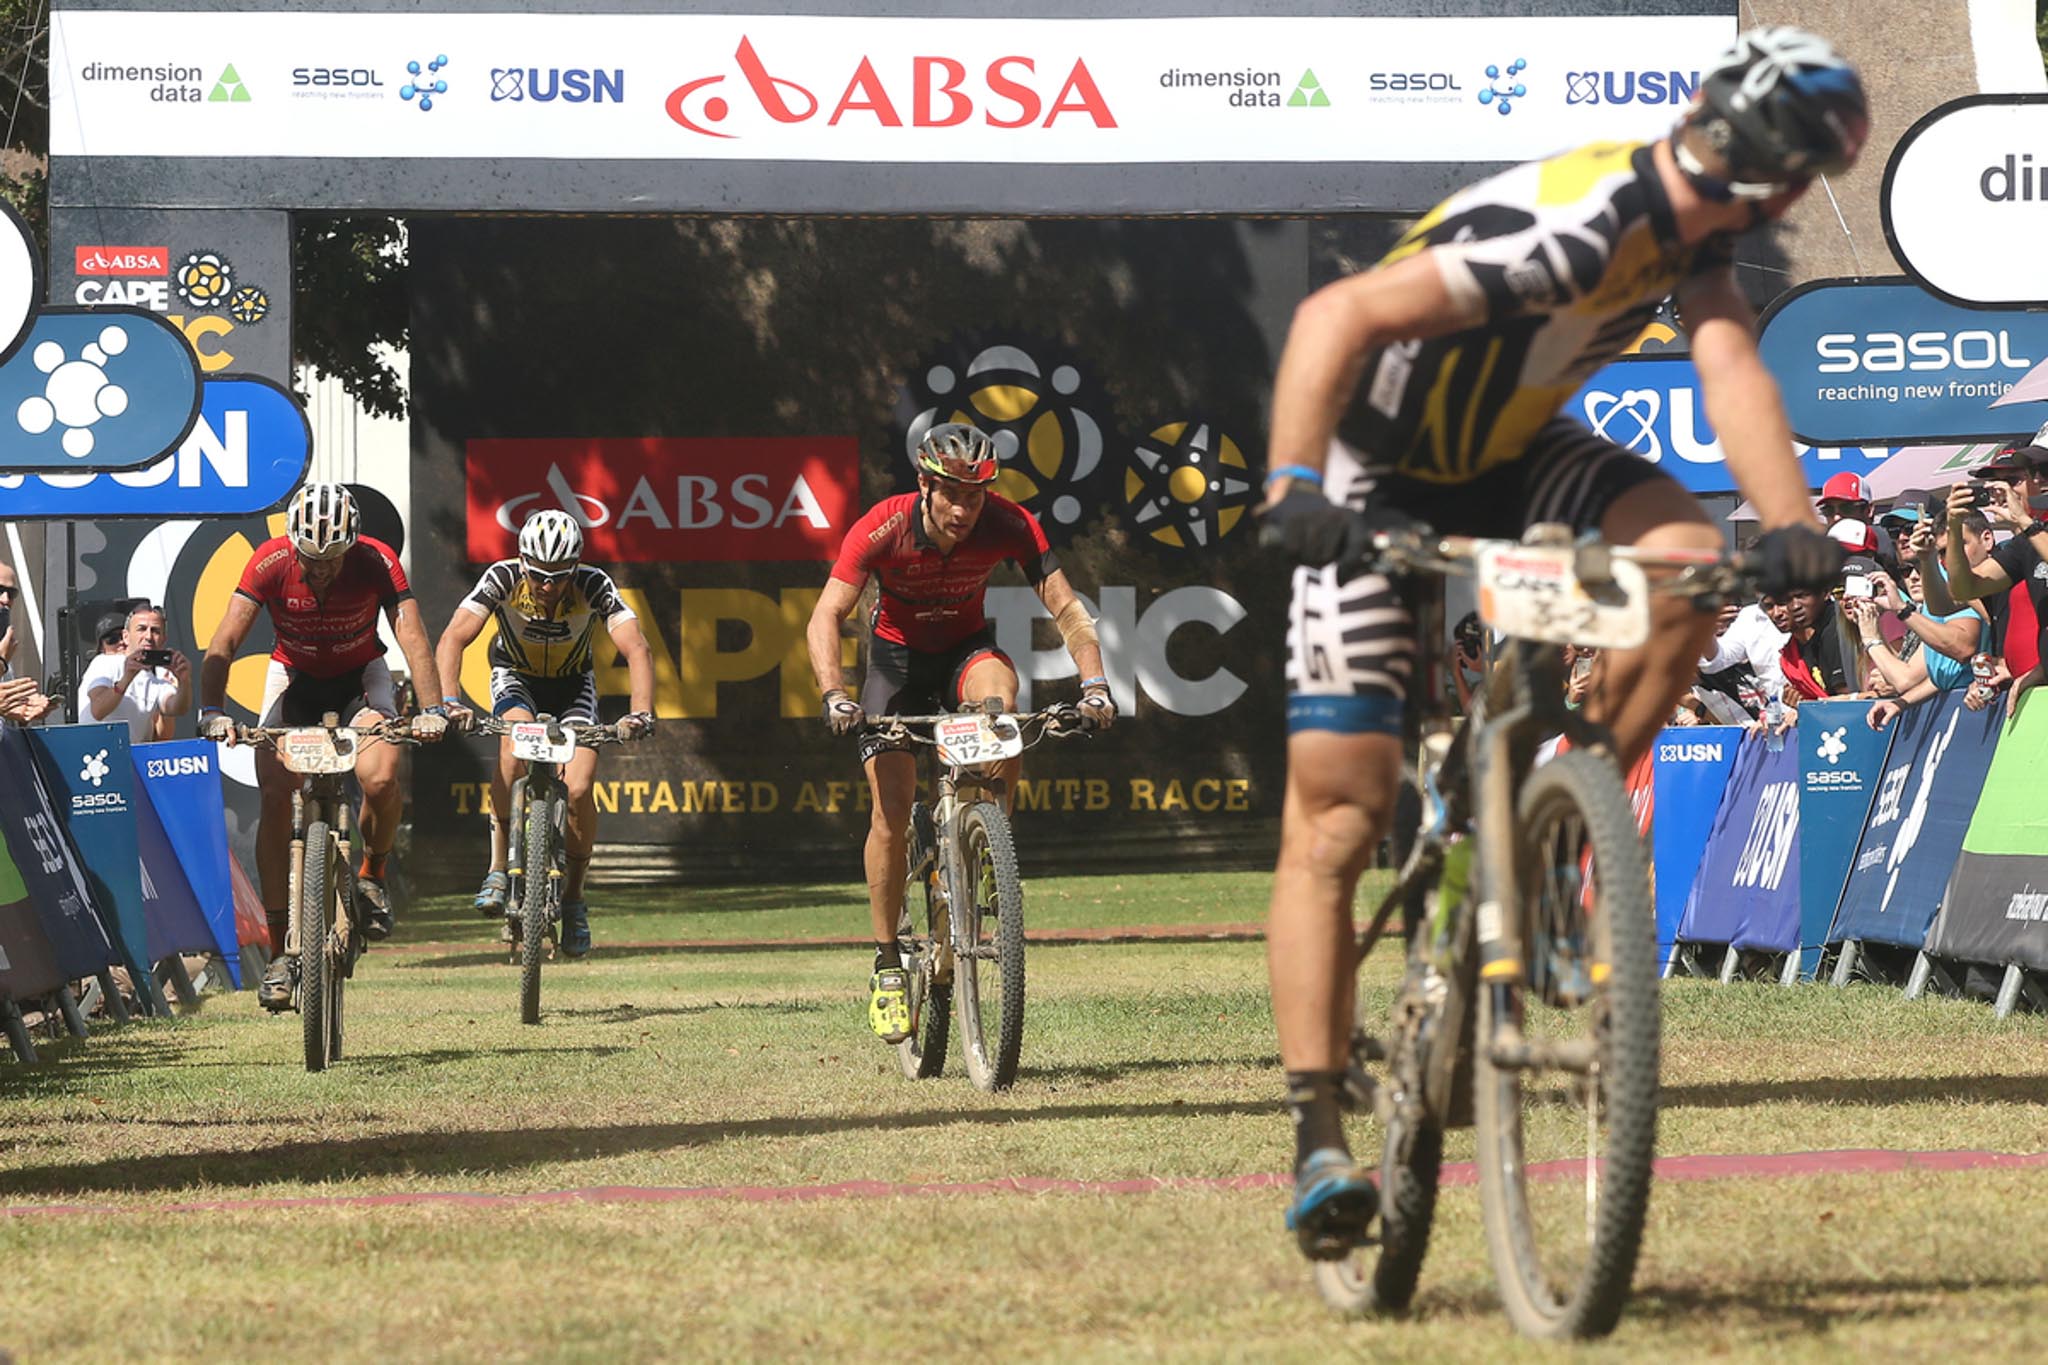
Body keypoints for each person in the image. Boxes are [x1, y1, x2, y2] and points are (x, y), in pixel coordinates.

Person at [1254, 25, 1867, 1255]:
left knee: (1691, 566)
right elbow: (1334, 312)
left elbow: (1727, 359)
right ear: (1794, 180)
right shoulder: (1578, 222)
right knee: (1337, 812)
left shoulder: (1695, 218)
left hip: (1511, 455)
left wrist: (1792, 526)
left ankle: (1551, 806)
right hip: (1373, 468)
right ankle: (1319, 1126)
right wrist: (1288, 487)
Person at [805, 421, 1117, 1044]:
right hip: (895, 666)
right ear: (925, 485)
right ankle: (888, 961)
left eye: (974, 496)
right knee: (891, 812)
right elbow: (826, 615)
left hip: (964, 656)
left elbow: (1067, 608)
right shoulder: (883, 526)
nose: (963, 509)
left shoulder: (1009, 523)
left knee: (1001, 699)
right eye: (951, 494)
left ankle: (986, 843)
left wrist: (1096, 685)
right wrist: (835, 695)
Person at [196, 483, 451, 1010]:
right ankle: (278, 951)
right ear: (294, 545)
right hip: (294, 678)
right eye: (312, 560)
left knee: (380, 776)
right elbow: (224, 641)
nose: (322, 571)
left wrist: (432, 710)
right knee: (273, 794)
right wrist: (213, 711)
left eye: (333, 560)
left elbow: (414, 637)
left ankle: (372, 875)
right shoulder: (268, 562)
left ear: (352, 545)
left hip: (361, 677)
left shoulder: (378, 562)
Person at [433, 508, 656, 957]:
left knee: (578, 788)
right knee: (512, 747)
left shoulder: (594, 584)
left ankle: (573, 900)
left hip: (575, 686)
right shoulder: (501, 578)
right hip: (516, 678)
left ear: (575, 567)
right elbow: (453, 638)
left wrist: (641, 713)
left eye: (559, 576)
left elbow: (636, 647)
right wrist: (449, 702)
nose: (548, 586)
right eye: (537, 575)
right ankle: (498, 866)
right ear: (522, 563)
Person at [1941, 445, 2048, 714]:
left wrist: (2026, 522)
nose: (2038, 480)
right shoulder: (2026, 541)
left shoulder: (2031, 530)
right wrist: (1953, 528)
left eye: (2013, 480)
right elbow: (1966, 588)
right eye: (2034, 472)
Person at [77, 604, 191, 744]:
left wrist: (184, 681)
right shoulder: (105, 662)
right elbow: (98, 710)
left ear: (163, 639)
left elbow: (176, 708)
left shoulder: (158, 678)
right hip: (97, 755)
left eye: (155, 631)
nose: (148, 636)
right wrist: (126, 679)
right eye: (141, 629)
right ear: (126, 636)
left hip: (131, 757)